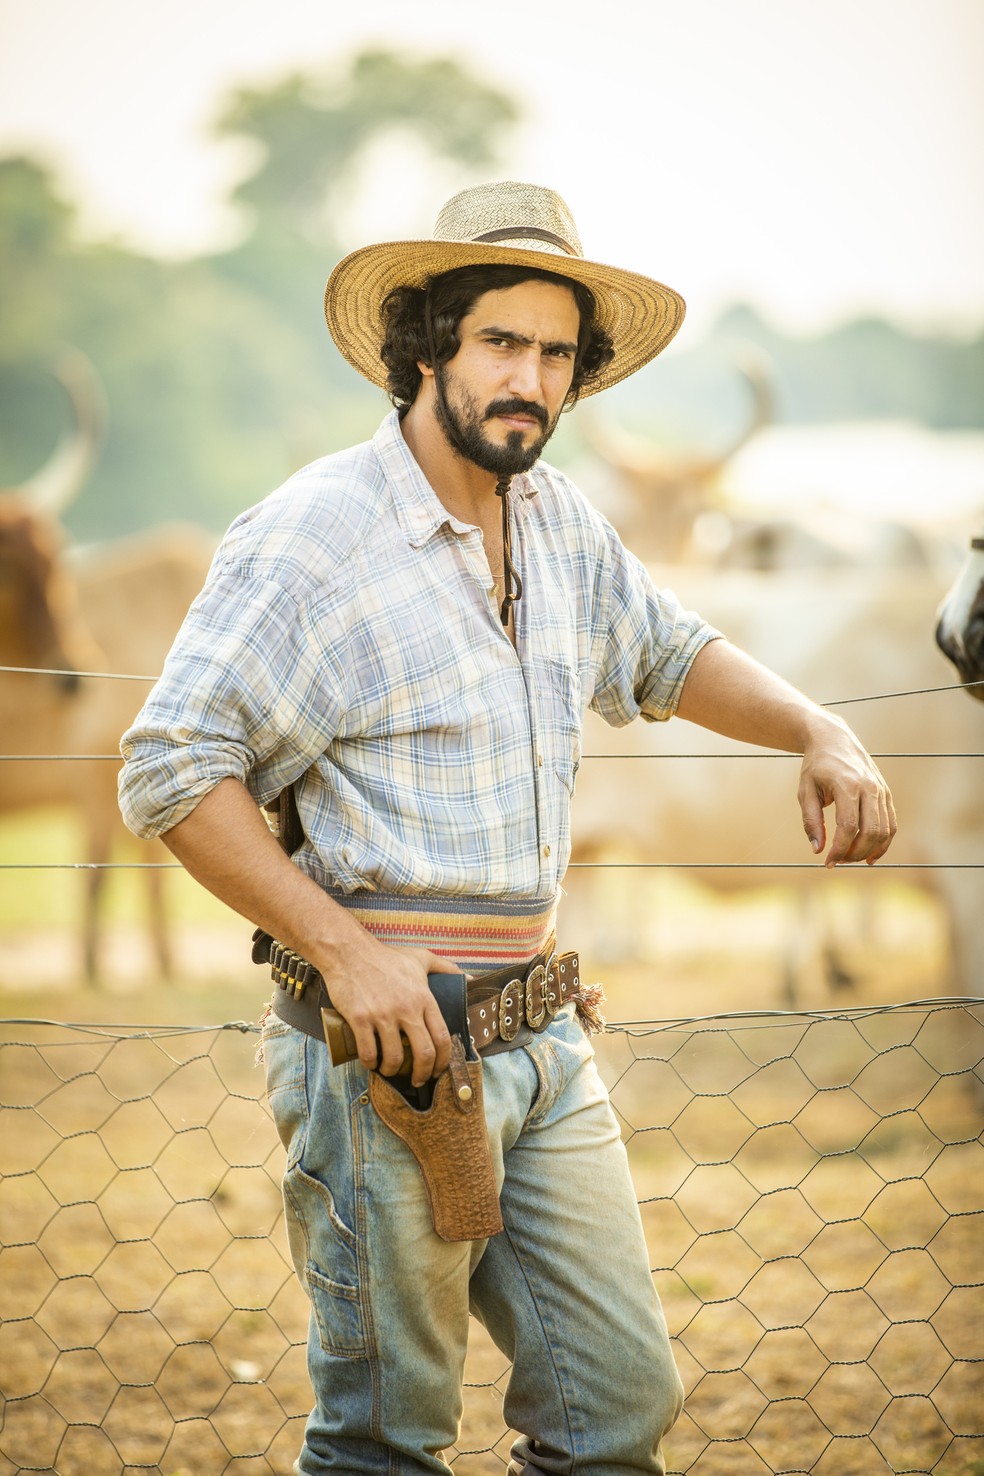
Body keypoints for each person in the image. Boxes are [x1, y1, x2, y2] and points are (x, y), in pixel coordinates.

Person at [118, 180, 896, 1475]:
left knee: (616, 1412)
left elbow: (669, 648)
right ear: (425, 343)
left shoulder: (558, 522)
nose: (527, 378)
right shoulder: (317, 536)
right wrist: (351, 952)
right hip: (385, 1058)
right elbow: (171, 769)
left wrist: (818, 726)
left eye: (553, 352)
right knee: (387, 1438)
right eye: (498, 343)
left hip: (541, 1037)